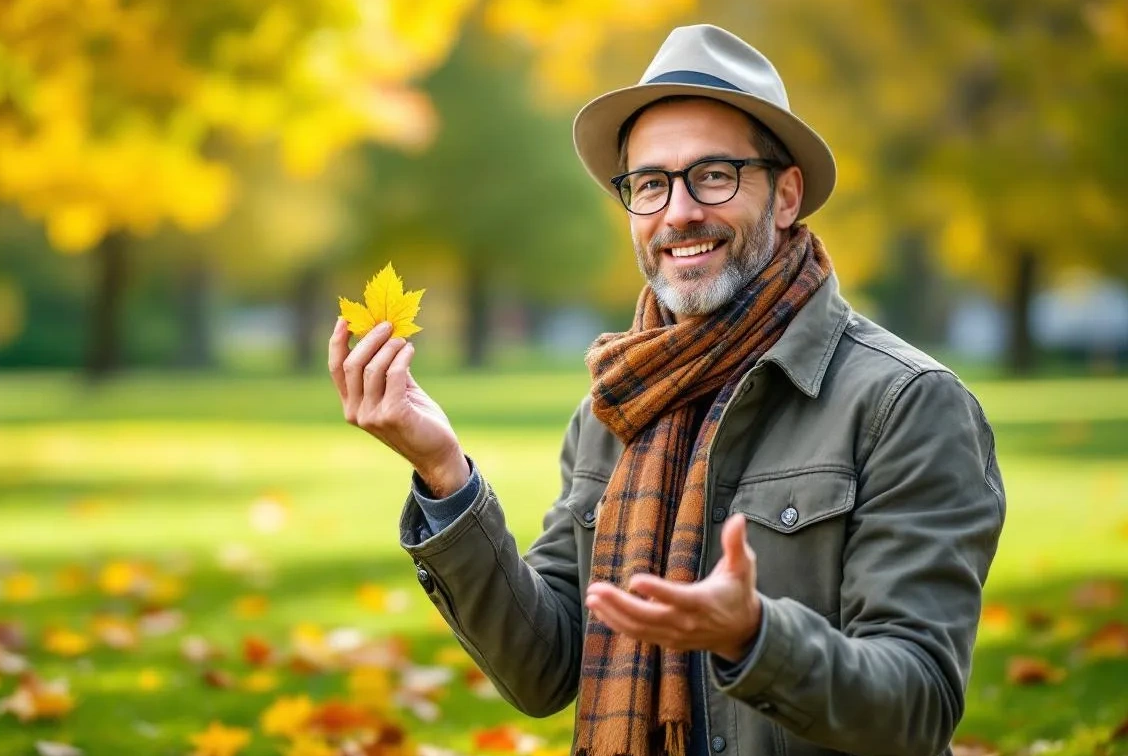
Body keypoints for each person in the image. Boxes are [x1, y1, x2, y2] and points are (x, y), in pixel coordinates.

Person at [327, 24, 1005, 756]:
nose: (678, 211)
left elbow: (919, 706)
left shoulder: (905, 405)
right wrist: (444, 473)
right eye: (650, 184)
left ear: (785, 196)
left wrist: (756, 639)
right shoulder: (614, 404)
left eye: (714, 175)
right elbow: (545, 669)